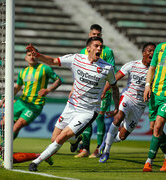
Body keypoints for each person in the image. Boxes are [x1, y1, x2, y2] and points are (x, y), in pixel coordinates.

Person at [27, 36, 120, 171]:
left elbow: (114, 87)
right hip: (71, 106)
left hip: (88, 111)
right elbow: (53, 61)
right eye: (96, 46)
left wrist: (116, 107)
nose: (99, 48)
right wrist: (38, 55)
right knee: (54, 138)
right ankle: (76, 139)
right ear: (88, 49)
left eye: (101, 46)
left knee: (62, 137)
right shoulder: (76, 59)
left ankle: (35, 162)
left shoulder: (107, 68)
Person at [98, 42, 156, 163]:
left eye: (154, 51)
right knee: (118, 118)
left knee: (122, 136)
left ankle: (107, 139)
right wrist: (103, 91)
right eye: (150, 51)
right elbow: (114, 79)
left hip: (140, 106)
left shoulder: (156, 71)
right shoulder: (132, 65)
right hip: (128, 97)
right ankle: (106, 151)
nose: (152, 53)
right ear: (144, 53)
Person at [0, 46, 62, 140]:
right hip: (21, 102)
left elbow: (58, 81)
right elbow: (16, 88)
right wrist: (3, 100)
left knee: (17, 126)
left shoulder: (45, 68)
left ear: (37, 56)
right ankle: (4, 147)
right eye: (29, 55)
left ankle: (3, 149)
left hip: (35, 105)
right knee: (3, 123)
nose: (32, 57)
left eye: (34, 55)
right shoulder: (23, 72)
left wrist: (48, 90)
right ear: (25, 58)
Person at [73, 24, 116, 158]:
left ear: (101, 36)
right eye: (93, 34)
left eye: (98, 34)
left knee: (100, 118)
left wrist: (104, 90)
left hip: (104, 92)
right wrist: (74, 89)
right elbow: (78, 74)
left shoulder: (107, 51)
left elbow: (111, 73)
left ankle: (98, 149)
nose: (95, 36)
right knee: (86, 119)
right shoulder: (82, 51)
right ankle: (85, 149)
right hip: (87, 92)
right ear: (89, 35)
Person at [142, 42, 166, 172]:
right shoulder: (160, 48)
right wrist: (147, 86)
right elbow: (151, 68)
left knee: (158, 126)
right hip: (155, 94)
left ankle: (149, 161)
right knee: (153, 128)